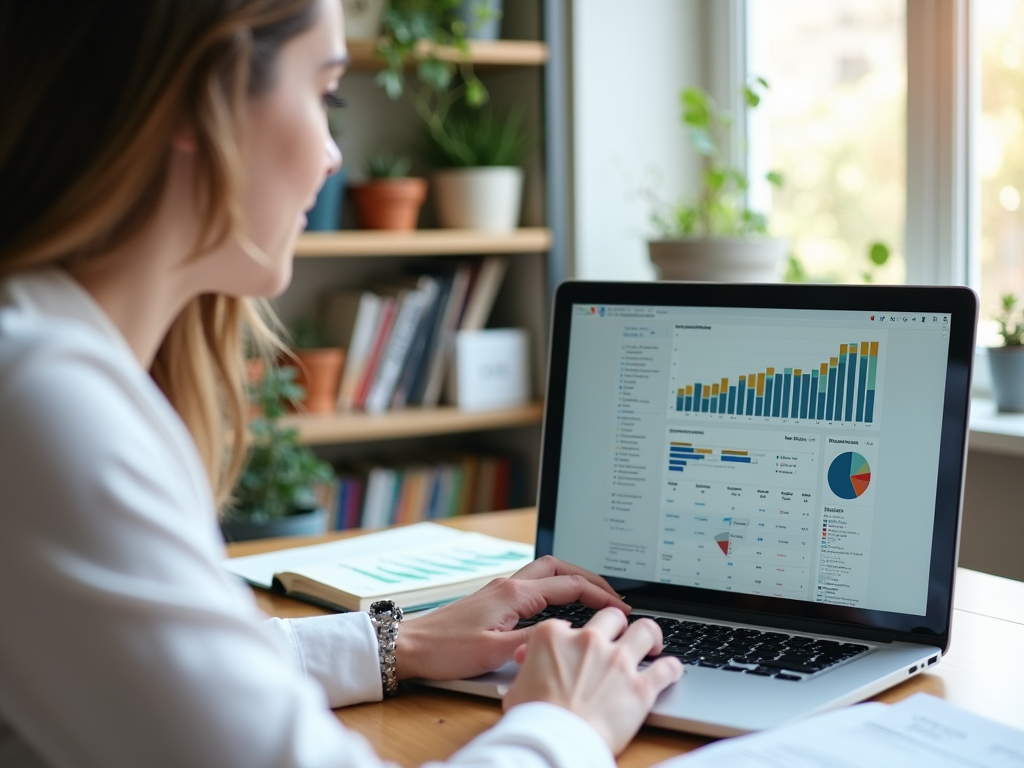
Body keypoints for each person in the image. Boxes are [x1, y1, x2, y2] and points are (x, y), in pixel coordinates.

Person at [0, 2, 684, 767]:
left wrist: (400, 641)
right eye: (325, 94)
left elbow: (139, 666)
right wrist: (568, 723)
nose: (333, 157)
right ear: (203, 94)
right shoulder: (48, 411)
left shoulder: (42, 364)